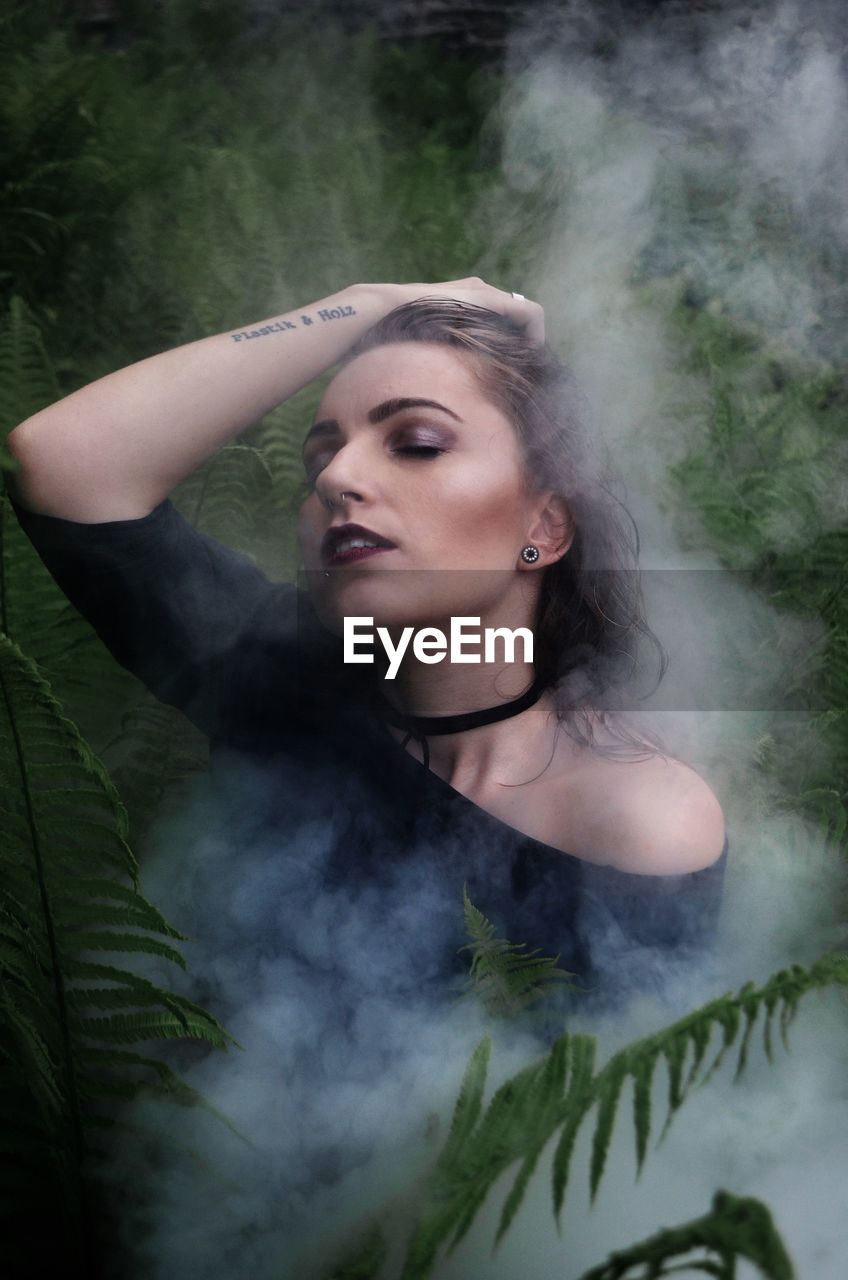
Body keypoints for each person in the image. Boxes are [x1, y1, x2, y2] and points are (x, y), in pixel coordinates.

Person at [7, 278, 726, 1005]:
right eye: (318, 459)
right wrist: (368, 303)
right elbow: (63, 462)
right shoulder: (283, 682)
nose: (338, 478)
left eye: (415, 444)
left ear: (543, 529)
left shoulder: (635, 820)